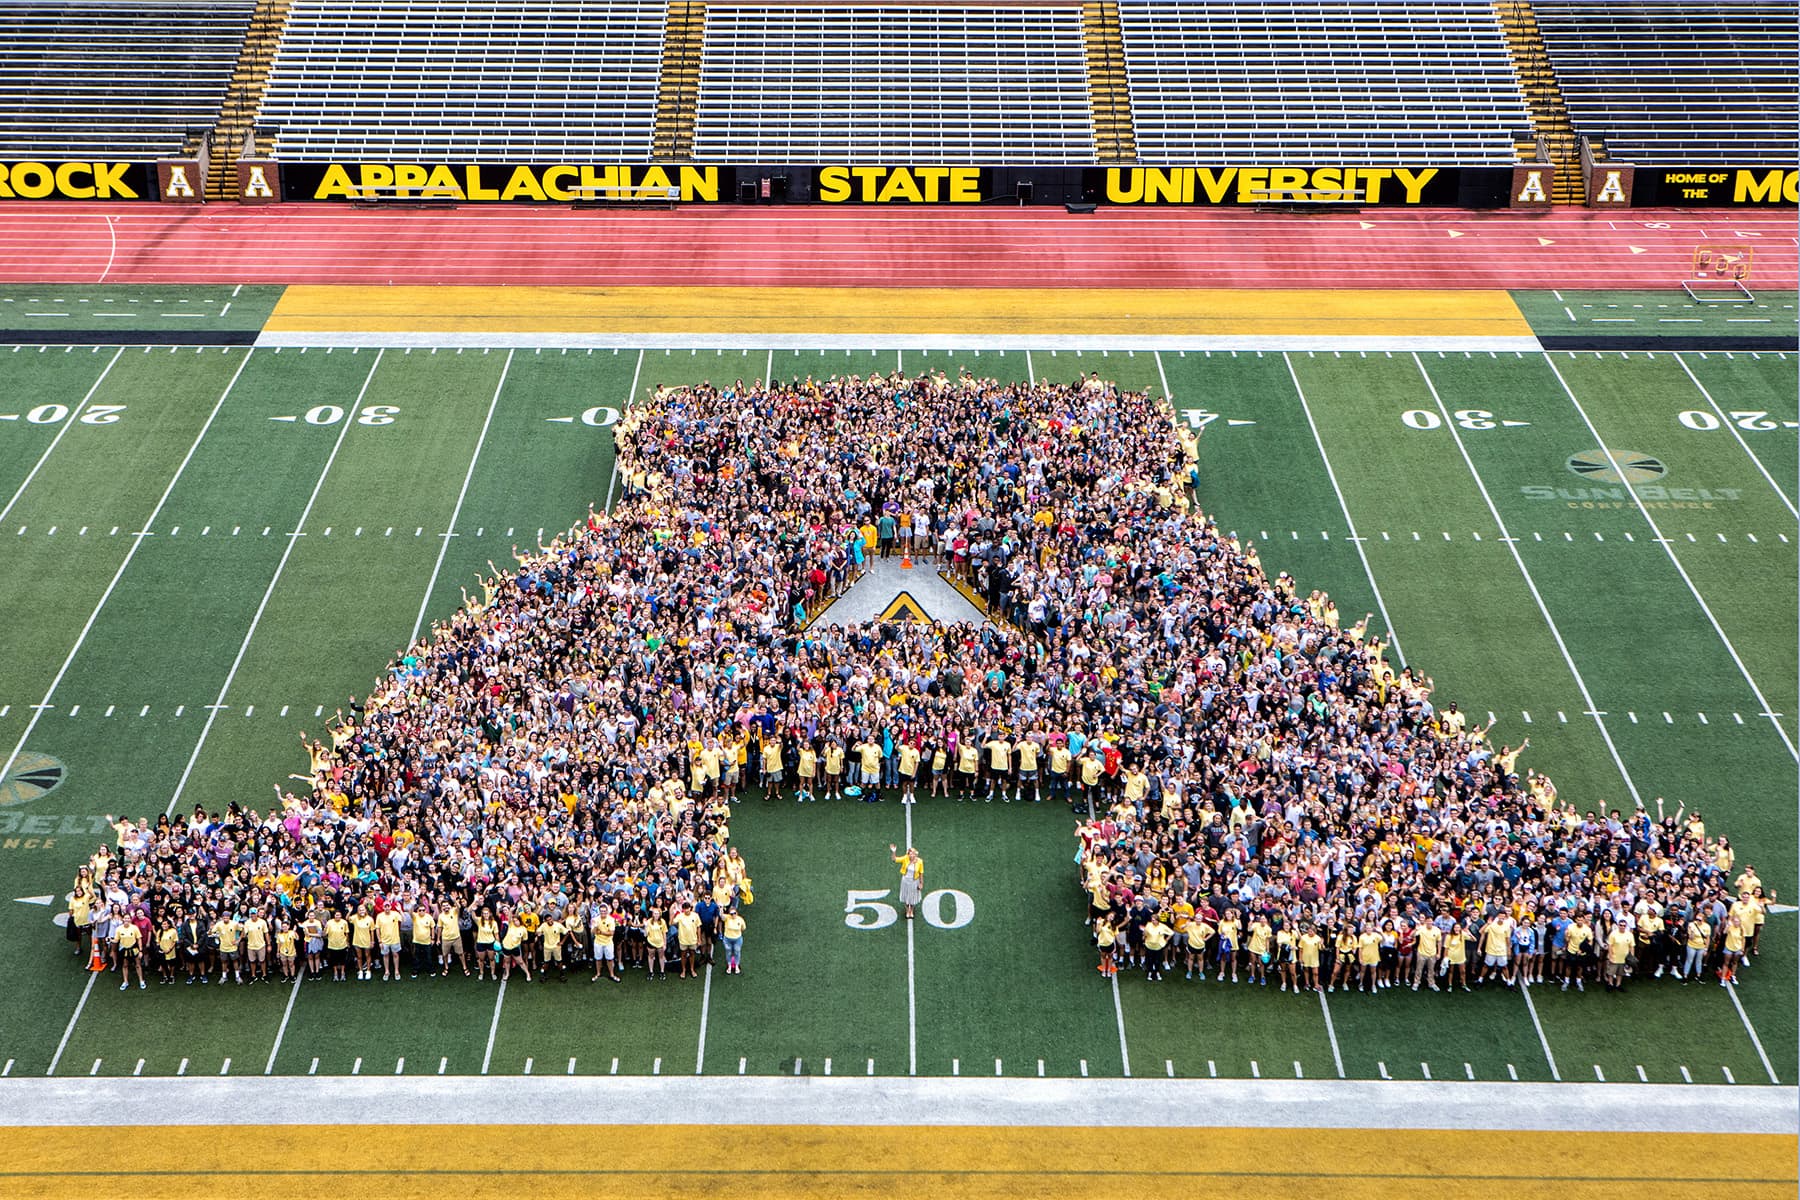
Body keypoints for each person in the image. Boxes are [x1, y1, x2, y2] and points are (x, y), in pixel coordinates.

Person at [890, 844, 924, 920]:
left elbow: (921, 873)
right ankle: (907, 910)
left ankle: (911, 910)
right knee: (906, 896)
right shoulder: (905, 859)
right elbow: (894, 859)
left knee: (913, 897)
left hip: (914, 881)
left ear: (915, 854)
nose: (911, 855)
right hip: (905, 880)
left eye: (912, 853)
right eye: (910, 853)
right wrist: (894, 851)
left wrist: (921, 883)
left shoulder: (920, 862)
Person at [719, 906, 746, 974]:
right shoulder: (727, 918)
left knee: (737, 951)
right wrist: (721, 908)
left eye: (734, 913)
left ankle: (737, 965)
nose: (733, 915)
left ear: (736, 913)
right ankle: (729, 965)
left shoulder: (740, 920)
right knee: (728, 951)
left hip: (737, 939)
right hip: (727, 939)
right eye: (731, 914)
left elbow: (743, 928)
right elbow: (721, 916)